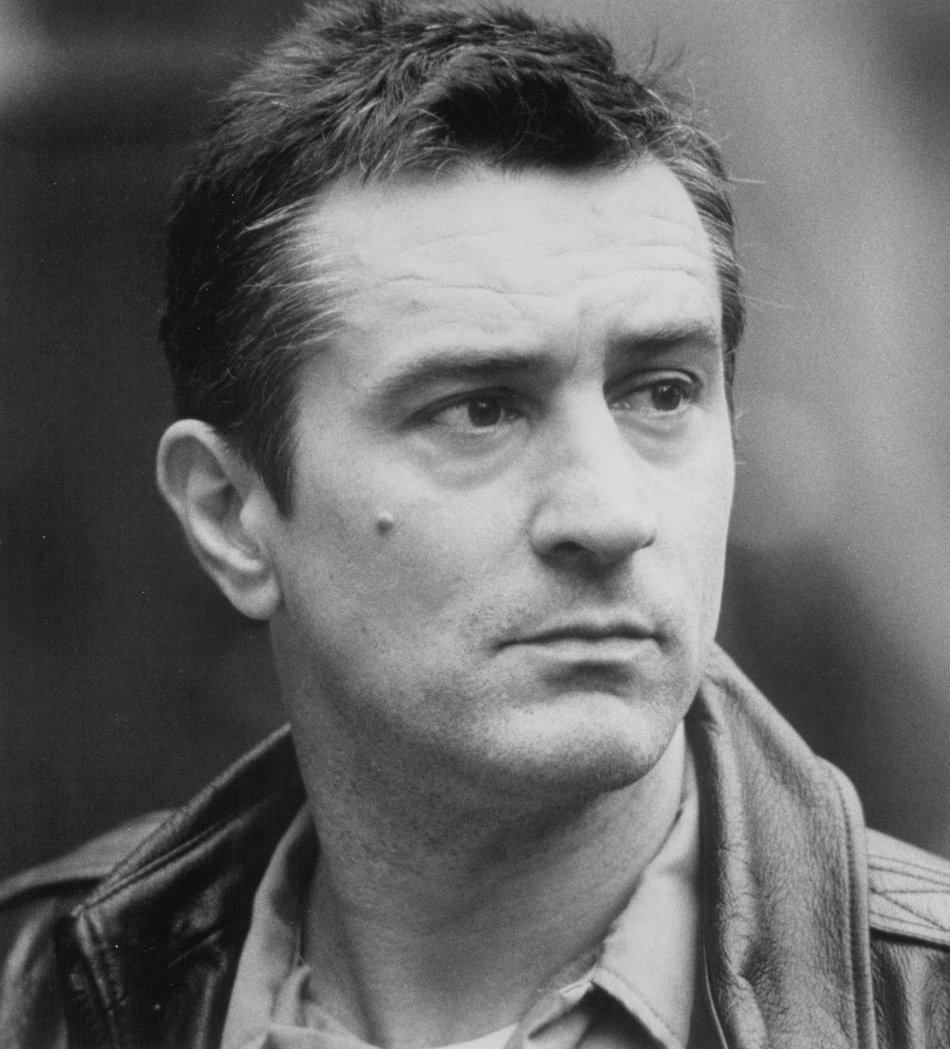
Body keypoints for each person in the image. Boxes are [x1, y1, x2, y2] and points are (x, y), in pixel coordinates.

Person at [2, 1, 950, 1046]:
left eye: (661, 393)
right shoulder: (36, 987)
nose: (609, 512)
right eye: (479, 410)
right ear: (230, 514)